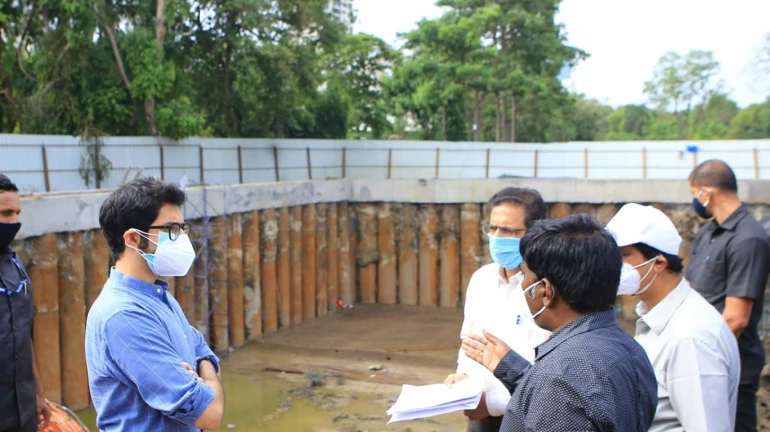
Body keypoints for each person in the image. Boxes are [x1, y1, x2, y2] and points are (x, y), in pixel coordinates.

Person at [460, 215, 658, 432]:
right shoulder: (630, 349)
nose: (521, 287)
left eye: (525, 276)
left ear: (545, 291)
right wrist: (512, 369)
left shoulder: (560, 376)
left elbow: (564, 391)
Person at [85, 177, 225, 431]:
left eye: (183, 228)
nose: (181, 238)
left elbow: (204, 353)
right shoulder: (124, 314)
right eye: (171, 229)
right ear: (133, 239)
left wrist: (204, 373)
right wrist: (207, 381)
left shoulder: (158, 296)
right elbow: (209, 413)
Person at [608, 203, 740, 431]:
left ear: (658, 263)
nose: (613, 266)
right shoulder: (655, 317)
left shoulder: (691, 337)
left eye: (624, 256)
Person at [444, 187, 551, 432]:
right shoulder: (481, 279)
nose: (497, 237)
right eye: (492, 228)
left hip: (527, 419)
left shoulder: (546, 289)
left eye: (508, 230)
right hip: (478, 416)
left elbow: (547, 372)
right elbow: (469, 341)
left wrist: (493, 403)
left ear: (534, 232)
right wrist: (463, 379)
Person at [685, 160, 770, 432]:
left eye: (694, 193)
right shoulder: (707, 234)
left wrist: (700, 359)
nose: (694, 201)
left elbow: (736, 319)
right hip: (699, 360)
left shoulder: (749, 239)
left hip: (729, 366)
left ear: (707, 193)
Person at [0, 174, 52, 432]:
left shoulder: (15, 267)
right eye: (6, 213)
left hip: (22, 411)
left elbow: (23, 336)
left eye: (17, 213)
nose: (15, 222)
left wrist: (38, 393)